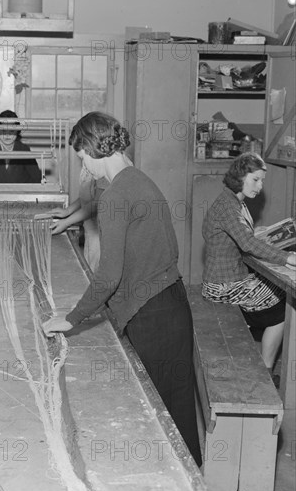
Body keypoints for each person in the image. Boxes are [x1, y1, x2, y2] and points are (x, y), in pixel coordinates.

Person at [42, 112, 202, 467]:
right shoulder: (136, 179)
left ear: (92, 147)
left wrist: (71, 319)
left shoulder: (117, 195)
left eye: (81, 156)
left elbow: (109, 274)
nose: (83, 166)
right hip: (170, 304)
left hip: (152, 316)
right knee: (175, 413)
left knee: (157, 421)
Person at [202, 153, 296, 382]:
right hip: (223, 286)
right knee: (283, 309)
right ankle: (265, 370)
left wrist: (263, 236)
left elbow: (243, 236)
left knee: (277, 293)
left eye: (262, 180)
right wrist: (288, 259)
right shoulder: (228, 206)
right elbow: (246, 243)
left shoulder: (234, 201)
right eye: (255, 179)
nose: (260, 186)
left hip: (228, 277)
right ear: (240, 176)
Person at [47, 164, 108, 272]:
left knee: (96, 272)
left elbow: (95, 204)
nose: (84, 160)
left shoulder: (106, 167)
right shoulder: (90, 163)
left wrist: (66, 222)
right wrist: (68, 211)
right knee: (89, 268)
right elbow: (88, 196)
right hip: (90, 230)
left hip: (102, 234)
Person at [0, 110, 41, 183]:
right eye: (4, 131)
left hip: (19, 193)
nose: (7, 135)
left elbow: (36, 178)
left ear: (17, 131)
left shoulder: (23, 149)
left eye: (11, 131)